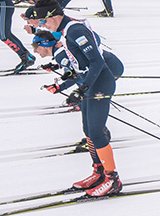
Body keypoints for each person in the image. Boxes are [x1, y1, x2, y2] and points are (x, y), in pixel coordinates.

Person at [28, 0, 123, 197]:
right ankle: (99, 172)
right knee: (88, 130)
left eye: (44, 21)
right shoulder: (64, 30)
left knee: (96, 131)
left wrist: (82, 89)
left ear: (54, 16)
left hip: (100, 82)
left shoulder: (74, 30)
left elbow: (97, 61)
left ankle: (112, 179)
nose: (43, 26)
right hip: (90, 82)